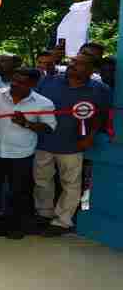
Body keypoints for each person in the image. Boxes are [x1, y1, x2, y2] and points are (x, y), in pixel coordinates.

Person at [35, 54, 112, 236]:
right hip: (43, 141)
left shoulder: (100, 89)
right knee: (41, 180)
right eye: (73, 62)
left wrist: (91, 136)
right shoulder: (49, 82)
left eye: (80, 64)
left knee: (71, 184)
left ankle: (62, 221)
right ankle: (43, 213)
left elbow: (101, 115)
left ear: (91, 70)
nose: (73, 65)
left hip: (74, 144)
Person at [0, 69, 56, 239]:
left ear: (33, 84)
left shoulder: (43, 103)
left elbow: (49, 127)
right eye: (14, 80)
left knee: (18, 193)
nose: (15, 85)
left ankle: (15, 227)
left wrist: (27, 123)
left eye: (22, 82)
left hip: (21, 155)